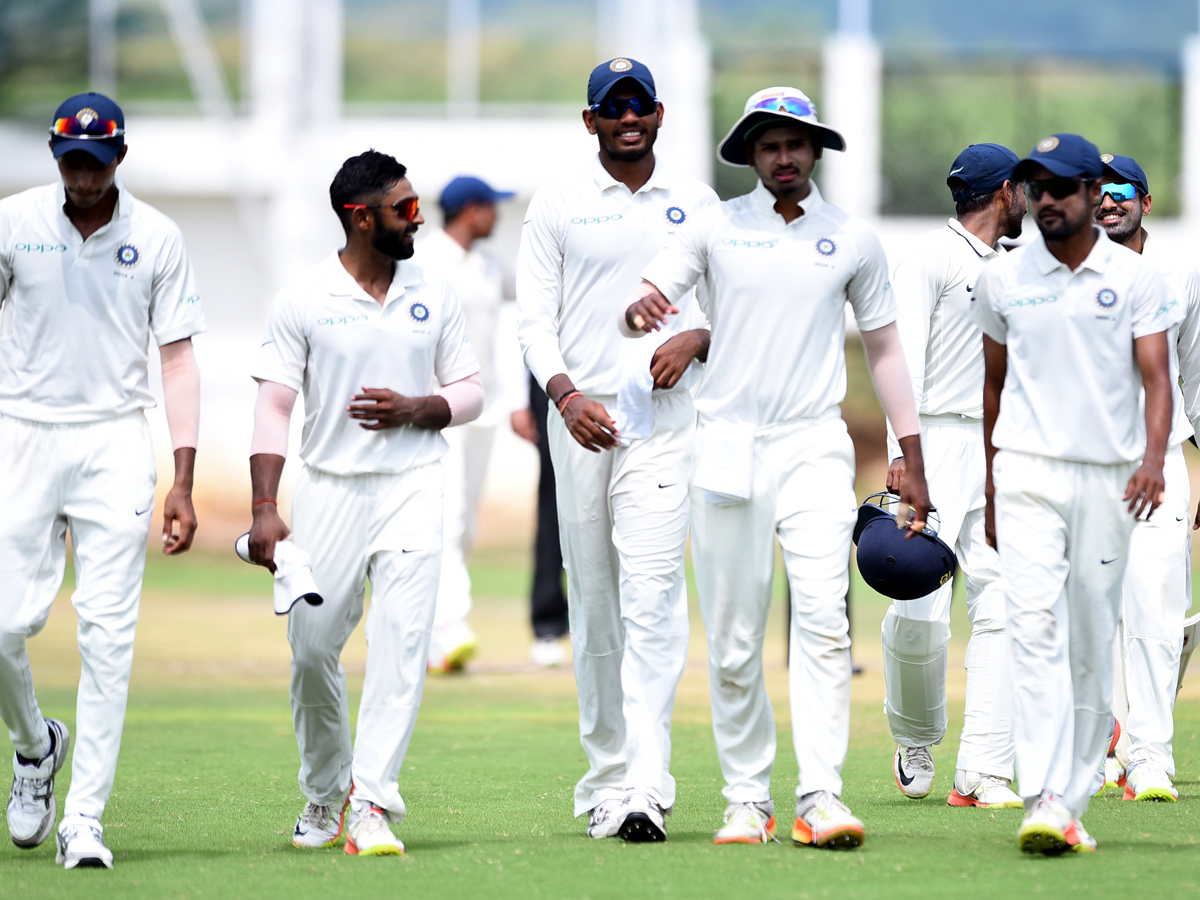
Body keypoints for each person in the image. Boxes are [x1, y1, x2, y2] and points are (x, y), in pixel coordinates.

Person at [627, 86, 931, 849]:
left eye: (795, 144)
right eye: (769, 146)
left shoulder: (851, 238)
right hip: (728, 441)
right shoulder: (715, 226)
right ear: (751, 156)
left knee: (825, 622)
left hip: (813, 444)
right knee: (732, 638)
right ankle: (745, 799)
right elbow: (653, 291)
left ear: (815, 149)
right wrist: (660, 317)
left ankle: (820, 794)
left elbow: (886, 348)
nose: (784, 157)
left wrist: (910, 455)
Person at [246, 150, 483, 857]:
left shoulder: (435, 289)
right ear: (360, 217)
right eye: (405, 209)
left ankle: (372, 801)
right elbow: (273, 403)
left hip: (415, 484)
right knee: (313, 649)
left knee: (403, 644)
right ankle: (326, 790)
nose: (418, 218)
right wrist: (265, 505)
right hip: (329, 493)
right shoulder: (304, 298)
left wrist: (422, 407)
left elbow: (470, 389)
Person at [516, 57, 718, 842]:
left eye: (639, 106)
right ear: (591, 120)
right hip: (582, 423)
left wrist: (697, 337)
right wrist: (564, 396)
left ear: (660, 115)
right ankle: (605, 779)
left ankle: (645, 783)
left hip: (663, 426)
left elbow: (735, 313)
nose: (627, 117)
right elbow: (534, 320)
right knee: (596, 603)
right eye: (612, 107)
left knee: (653, 595)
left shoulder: (697, 205)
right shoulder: (560, 204)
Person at [0, 92, 204, 869]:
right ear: (55, 156)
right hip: (20, 430)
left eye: (95, 160)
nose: (81, 174)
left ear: (120, 156)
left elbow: (178, 358)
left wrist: (183, 476)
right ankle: (33, 746)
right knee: (4, 624)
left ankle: (83, 817)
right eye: (69, 159)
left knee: (108, 638)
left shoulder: (156, 236)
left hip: (117, 438)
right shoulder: (14, 220)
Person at [975, 134, 1179, 854]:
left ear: (1096, 192)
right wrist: (994, 488)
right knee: (1032, 626)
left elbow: (1156, 379)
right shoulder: (1001, 278)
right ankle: (1045, 796)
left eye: (1064, 186)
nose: (1048, 199)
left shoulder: (1134, 277)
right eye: (1037, 186)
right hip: (1028, 471)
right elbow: (992, 387)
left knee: (1091, 643)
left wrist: (1154, 460)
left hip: (1107, 476)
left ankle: (1076, 790)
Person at [881, 144, 1026, 809]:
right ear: (1003, 192)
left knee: (999, 602)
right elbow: (896, 355)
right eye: (1024, 188)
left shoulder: (1016, 266)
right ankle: (914, 737)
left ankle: (983, 771)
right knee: (919, 608)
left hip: (996, 446)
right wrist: (902, 454)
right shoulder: (931, 260)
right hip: (933, 440)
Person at [1092, 153, 1200, 802]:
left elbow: (1196, 375)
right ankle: (1107, 745)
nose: (1107, 202)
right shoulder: (1066, 272)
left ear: (1145, 202)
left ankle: (1151, 758)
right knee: (1095, 616)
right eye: (1095, 192)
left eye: (1119, 191)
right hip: (1087, 470)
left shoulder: (1179, 273)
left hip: (1160, 466)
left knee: (1157, 608)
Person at [418, 175, 515, 673]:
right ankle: (449, 628)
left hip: (486, 410)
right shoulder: (424, 261)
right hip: (441, 411)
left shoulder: (489, 266)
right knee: (448, 519)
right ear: (470, 210)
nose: (497, 215)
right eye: (491, 207)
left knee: (467, 525)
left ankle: (433, 632)